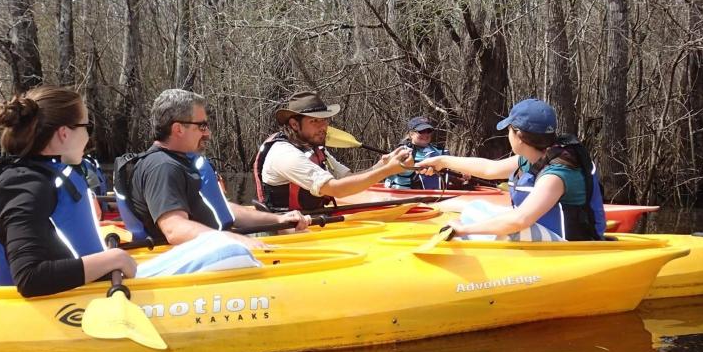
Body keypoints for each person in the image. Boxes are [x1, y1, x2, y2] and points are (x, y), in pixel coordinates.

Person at [0, 86, 137, 296]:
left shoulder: (42, 176)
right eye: (87, 127)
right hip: (65, 304)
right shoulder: (25, 185)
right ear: (64, 133)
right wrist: (113, 259)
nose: (88, 138)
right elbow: (29, 278)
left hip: (94, 288)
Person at [118, 89, 309, 247]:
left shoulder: (179, 162)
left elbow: (222, 210)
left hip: (214, 246)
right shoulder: (162, 168)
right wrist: (235, 240)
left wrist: (277, 219)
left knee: (288, 234)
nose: (208, 133)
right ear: (178, 129)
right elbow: (175, 230)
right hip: (186, 262)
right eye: (201, 126)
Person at [417, 98, 606, 241]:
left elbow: (520, 220)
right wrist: (442, 161)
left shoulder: (557, 174)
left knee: (501, 228)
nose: (507, 134)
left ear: (520, 136)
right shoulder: (533, 157)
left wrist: (464, 229)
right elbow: (489, 169)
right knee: (475, 208)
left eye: (509, 129)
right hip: (542, 235)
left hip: (569, 247)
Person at [253, 91, 413, 211]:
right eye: (314, 121)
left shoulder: (313, 147)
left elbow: (348, 179)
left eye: (324, 120)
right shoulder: (285, 154)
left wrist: (382, 164)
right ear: (295, 124)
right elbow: (336, 189)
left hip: (313, 222)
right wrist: (387, 171)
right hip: (286, 232)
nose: (323, 127)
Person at [384, 116, 461, 190]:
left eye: (428, 131)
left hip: (435, 196)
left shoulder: (440, 151)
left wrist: (460, 175)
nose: (425, 134)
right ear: (411, 134)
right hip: (405, 195)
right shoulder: (402, 151)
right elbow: (390, 171)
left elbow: (447, 173)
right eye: (421, 131)